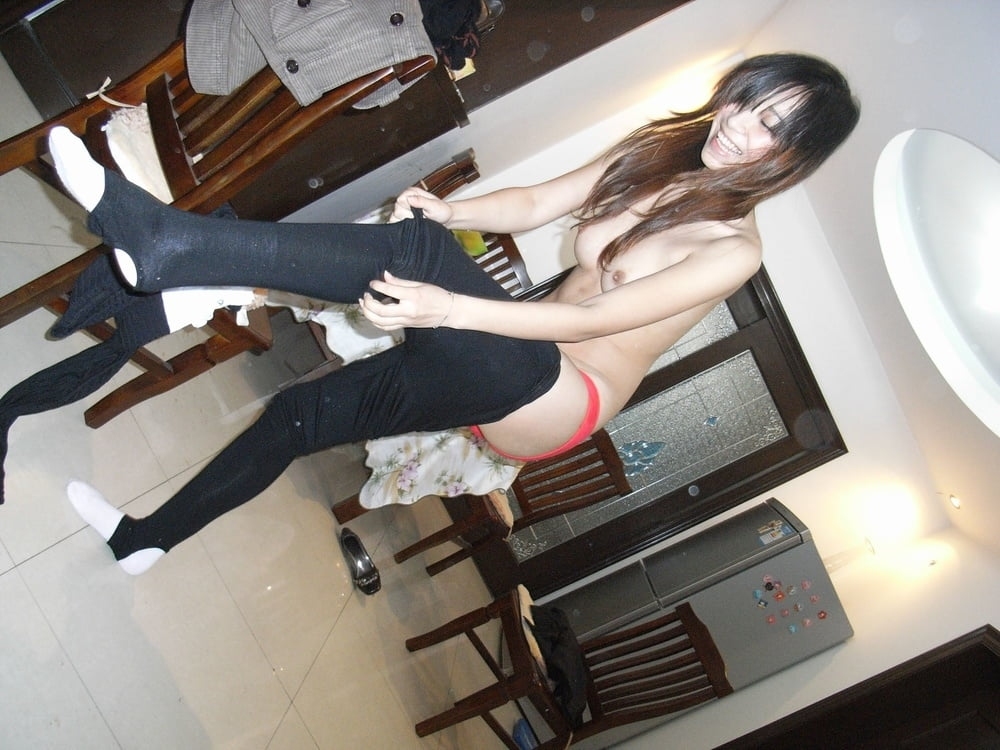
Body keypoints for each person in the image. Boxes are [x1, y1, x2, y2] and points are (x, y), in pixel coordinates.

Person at [49, 53, 859, 575]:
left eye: (767, 127)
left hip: (557, 400)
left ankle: (174, 249)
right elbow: (536, 201)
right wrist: (451, 207)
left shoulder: (731, 249)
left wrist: (451, 306)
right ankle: (143, 541)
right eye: (744, 101)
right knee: (299, 416)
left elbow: (589, 323)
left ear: (793, 158)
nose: (736, 125)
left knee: (423, 259)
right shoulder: (661, 152)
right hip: (509, 369)